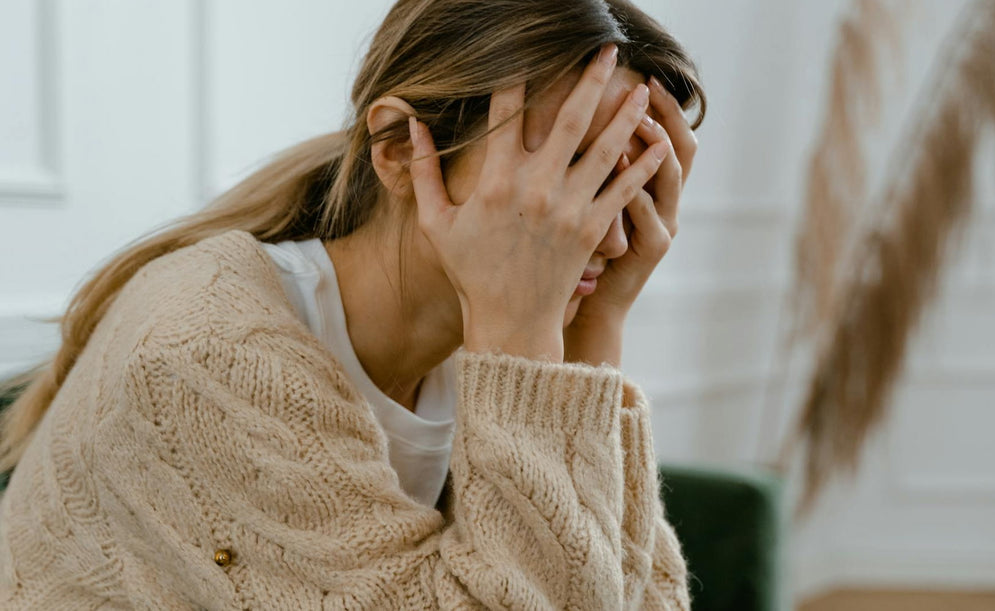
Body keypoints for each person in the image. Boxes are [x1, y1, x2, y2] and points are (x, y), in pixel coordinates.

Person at [0, 0, 705, 607]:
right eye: (565, 171)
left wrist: (595, 328)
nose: (606, 232)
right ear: (399, 148)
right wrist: (535, 340)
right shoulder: (208, 353)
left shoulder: (495, 333)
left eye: (631, 181)